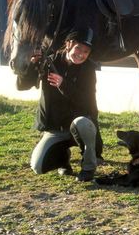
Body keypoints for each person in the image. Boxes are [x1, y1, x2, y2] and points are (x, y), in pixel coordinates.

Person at [29, 28, 103, 182]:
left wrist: (64, 84)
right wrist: (32, 65)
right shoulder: (49, 61)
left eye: (86, 51)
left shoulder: (89, 69)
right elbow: (23, 84)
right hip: (56, 127)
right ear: (69, 44)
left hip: (78, 126)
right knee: (37, 166)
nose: (81, 54)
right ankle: (63, 160)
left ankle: (88, 167)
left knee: (82, 123)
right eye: (78, 48)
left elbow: (87, 101)